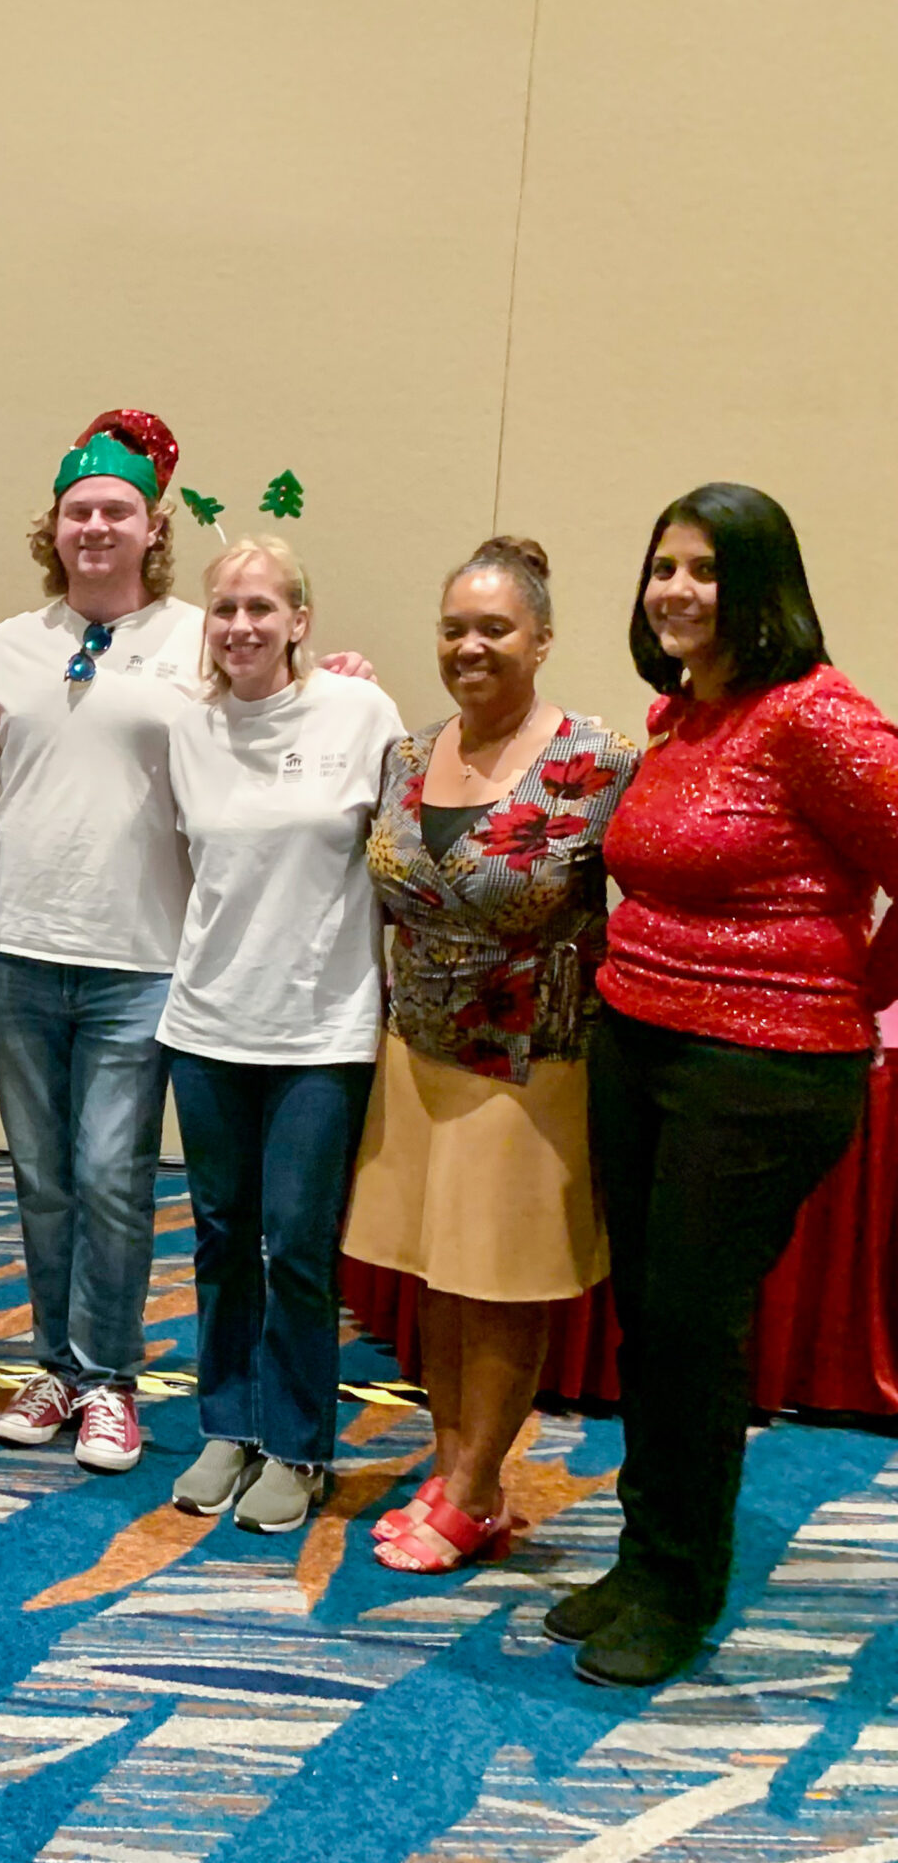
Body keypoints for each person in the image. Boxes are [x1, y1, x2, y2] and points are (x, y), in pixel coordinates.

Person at [544, 485, 898, 1687]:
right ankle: (645, 1558)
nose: (677, 591)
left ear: (762, 587)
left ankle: (680, 1591)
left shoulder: (814, 717)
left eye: (705, 570)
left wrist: (853, 981)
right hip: (640, 1041)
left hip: (762, 1068)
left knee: (695, 1328)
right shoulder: (679, 717)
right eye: (663, 568)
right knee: (653, 1320)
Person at [344, 539, 636, 1573]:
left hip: (529, 1059)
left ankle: (474, 1493)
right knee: (439, 1275)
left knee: (504, 1282)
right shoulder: (407, 755)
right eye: (453, 629)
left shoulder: (597, 762)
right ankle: (452, 1466)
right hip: (417, 1054)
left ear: (542, 640)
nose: (470, 647)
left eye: (495, 629)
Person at [0, 411, 206, 1475]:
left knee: (112, 1173)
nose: (94, 525)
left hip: (138, 957)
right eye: (76, 511)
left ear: (153, 527)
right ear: (51, 529)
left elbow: (280, 716)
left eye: (116, 510)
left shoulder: (200, 640)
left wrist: (332, 668)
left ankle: (111, 1380)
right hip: (18, 951)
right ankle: (55, 1363)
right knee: (41, 1177)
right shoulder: (4, 650)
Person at [159, 537, 402, 1535]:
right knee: (218, 1238)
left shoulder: (359, 714)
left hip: (318, 1032)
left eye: (263, 608)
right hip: (209, 1020)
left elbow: (399, 861)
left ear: (301, 620)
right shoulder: (187, 725)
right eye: (223, 610)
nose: (241, 627)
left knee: (295, 1245)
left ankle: (298, 1443)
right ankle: (228, 1420)